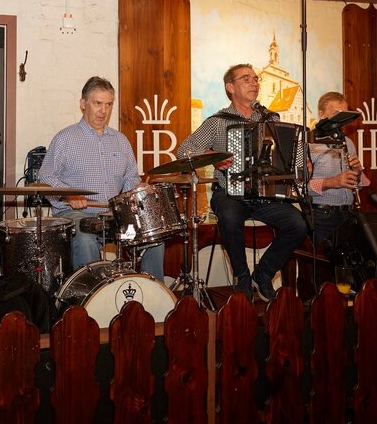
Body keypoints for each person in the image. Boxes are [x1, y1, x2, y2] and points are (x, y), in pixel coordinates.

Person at [177, 63, 308, 301]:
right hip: (229, 192)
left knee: (298, 224)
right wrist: (212, 157)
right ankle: (242, 276)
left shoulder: (270, 118)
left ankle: (264, 272)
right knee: (229, 215)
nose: (254, 83)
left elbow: (290, 151)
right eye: (246, 79)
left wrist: (300, 162)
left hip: (265, 194)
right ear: (230, 87)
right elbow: (184, 149)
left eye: (255, 79)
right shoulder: (218, 122)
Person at [37, 76, 165, 280]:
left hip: (115, 219)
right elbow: (45, 176)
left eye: (108, 104)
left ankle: (153, 295)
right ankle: (92, 297)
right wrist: (68, 196)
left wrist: (140, 187)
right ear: (83, 103)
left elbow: (130, 178)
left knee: (151, 237)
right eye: (97, 103)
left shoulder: (120, 141)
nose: (103, 111)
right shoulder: (65, 138)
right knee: (86, 238)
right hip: (76, 216)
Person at [307, 91, 369, 246]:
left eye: (345, 115)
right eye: (336, 114)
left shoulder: (348, 142)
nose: (342, 120)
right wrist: (333, 182)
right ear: (321, 114)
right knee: (324, 267)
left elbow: (358, 186)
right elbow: (299, 188)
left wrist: (358, 173)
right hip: (321, 216)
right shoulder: (308, 142)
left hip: (348, 214)